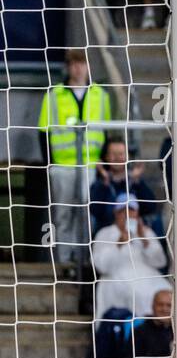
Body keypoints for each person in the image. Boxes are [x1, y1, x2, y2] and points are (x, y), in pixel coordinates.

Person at [39, 49, 113, 266]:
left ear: (89, 67)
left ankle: (82, 259)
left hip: (90, 164)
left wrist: (104, 164)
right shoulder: (54, 95)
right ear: (68, 67)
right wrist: (49, 164)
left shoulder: (101, 95)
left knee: (85, 213)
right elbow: (44, 131)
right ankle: (64, 262)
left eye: (82, 63)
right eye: (74, 64)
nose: (78, 68)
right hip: (62, 165)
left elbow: (106, 131)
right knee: (63, 215)